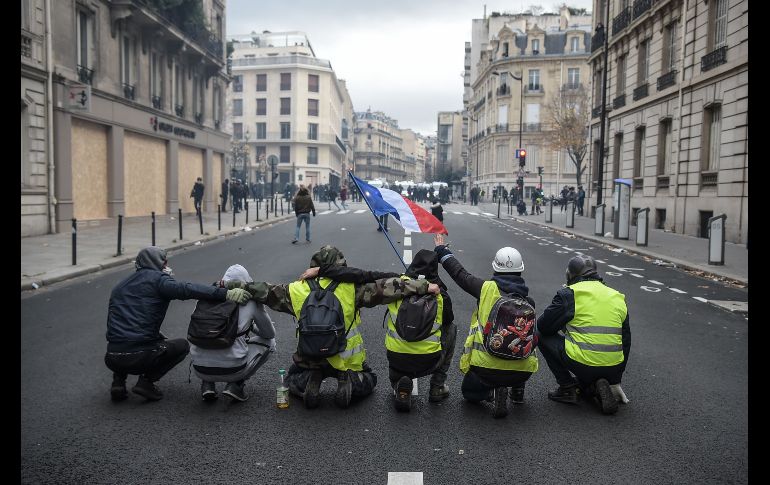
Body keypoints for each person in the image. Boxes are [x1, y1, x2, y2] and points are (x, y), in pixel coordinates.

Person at [227, 245, 440, 409]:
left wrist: (236, 287)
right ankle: (348, 381)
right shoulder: (352, 289)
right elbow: (391, 286)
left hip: (310, 358)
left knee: (292, 378)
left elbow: (265, 290)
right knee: (370, 379)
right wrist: (423, 286)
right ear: (342, 268)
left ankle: (311, 379)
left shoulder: (296, 290)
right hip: (347, 360)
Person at [300, 249, 456, 411]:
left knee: (397, 347)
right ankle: (437, 386)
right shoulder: (441, 294)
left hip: (398, 360)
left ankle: (398, 385)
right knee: (451, 329)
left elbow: (361, 275)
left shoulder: (397, 283)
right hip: (429, 361)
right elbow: (446, 323)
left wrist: (321, 270)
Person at [104, 246, 251, 402]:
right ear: (160, 262)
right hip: (141, 357)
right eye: (164, 261)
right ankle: (146, 382)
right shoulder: (158, 281)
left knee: (123, 340)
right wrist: (225, 293)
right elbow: (187, 289)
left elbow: (117, 322)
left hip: (112, 357)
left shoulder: (119, 286)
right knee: (181, 346)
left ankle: (118, 382)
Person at [433, 234, 538, 418]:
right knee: (520, 340)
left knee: (470, 395)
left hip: (485, 367)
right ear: (520, 270)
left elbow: (460, 274)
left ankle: (492, 391)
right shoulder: (529, 302)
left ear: (495, 268)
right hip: (521, 372)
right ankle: (517, 391)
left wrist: (442, 252)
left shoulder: (486, 289)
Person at [536, 255, 630, 415]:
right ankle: (594, 386)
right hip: (614, 367)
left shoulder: (570, 294)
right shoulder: (617, 296)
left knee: (539, 335)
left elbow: (544, 326)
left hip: (583, 363)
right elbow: (626, 341)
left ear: (569, 275)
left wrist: (565, 323)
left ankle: (568, 388)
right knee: (591, 358)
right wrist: (616, 378)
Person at [190, 264, 277, 402]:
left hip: (199, 368)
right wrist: (251, 326)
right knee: (270, 343)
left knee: (207, 337)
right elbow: (269, 334)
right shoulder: (250, 301)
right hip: (233, 370)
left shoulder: (204, 297)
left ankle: (207, 384)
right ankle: (236, 384)